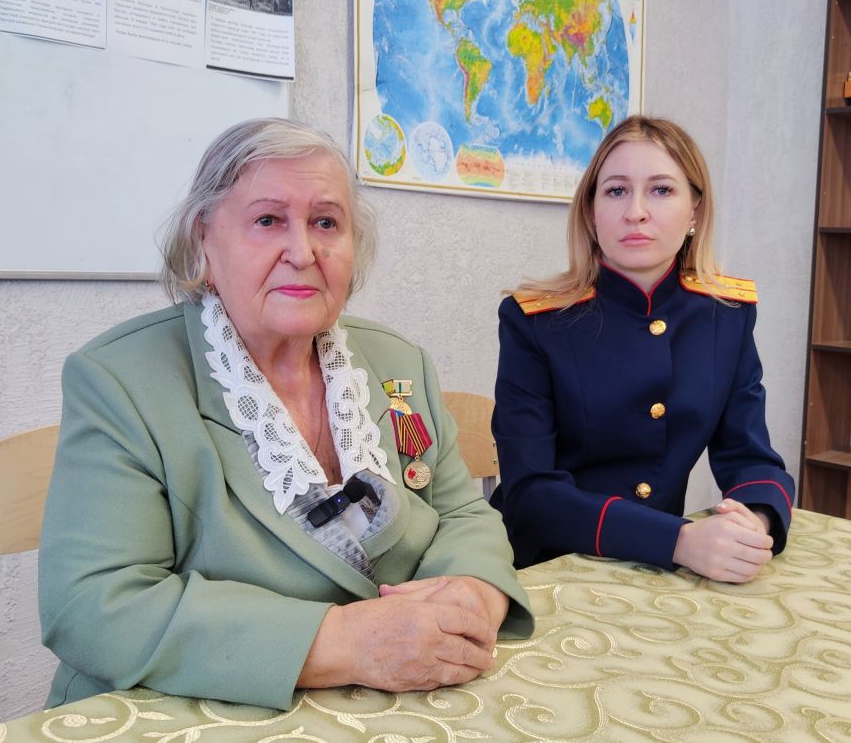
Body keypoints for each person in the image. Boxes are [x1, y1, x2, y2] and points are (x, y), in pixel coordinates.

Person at [39, 117, 534, 711]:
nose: (302, 253)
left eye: (326, 223)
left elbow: (461, 514)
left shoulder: (398, 363)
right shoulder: (120, 380)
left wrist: (473, 597)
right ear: (204, 241)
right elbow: (93, 605)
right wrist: (346, 642)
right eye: (268, 221)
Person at [490, 115, 794, 584]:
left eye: (661, 190)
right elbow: (530, 495)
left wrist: (754, 522)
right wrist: (679, 541)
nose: (635, 211)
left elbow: (750, 456)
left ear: (695, 210)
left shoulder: (725, 316)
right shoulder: (535, 321)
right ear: (591, 212)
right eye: (616, 190)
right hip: (545, 566)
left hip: (656, 575)